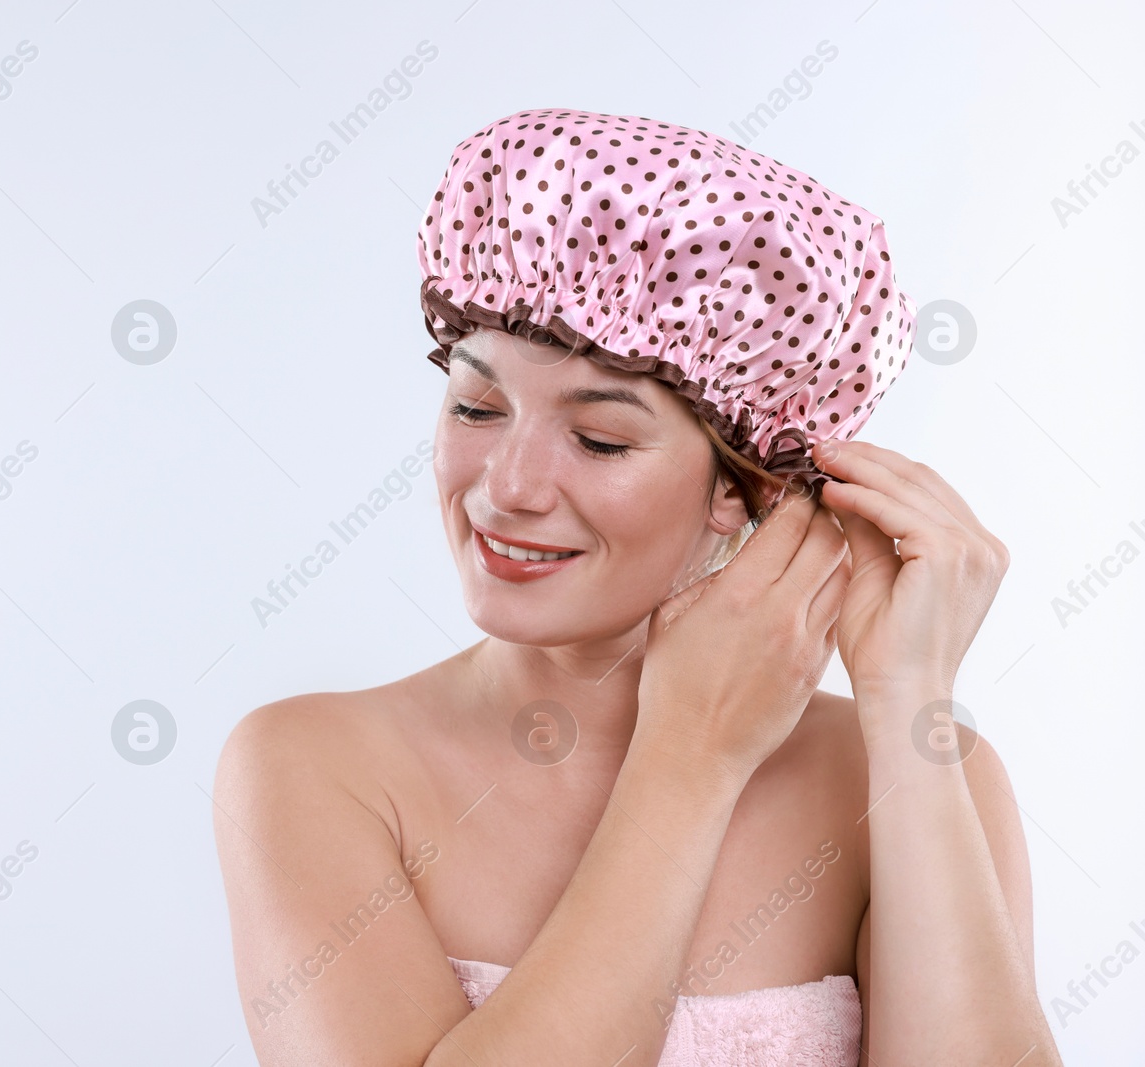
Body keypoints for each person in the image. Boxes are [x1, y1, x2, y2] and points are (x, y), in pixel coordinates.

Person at [213, 108, 1060, 1066]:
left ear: (748, 487)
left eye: (600, 438)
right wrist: (689, 755)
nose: (508, 486)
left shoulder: (900, 770)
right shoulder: (314, 767)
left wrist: (907, 695)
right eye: (475, 406)